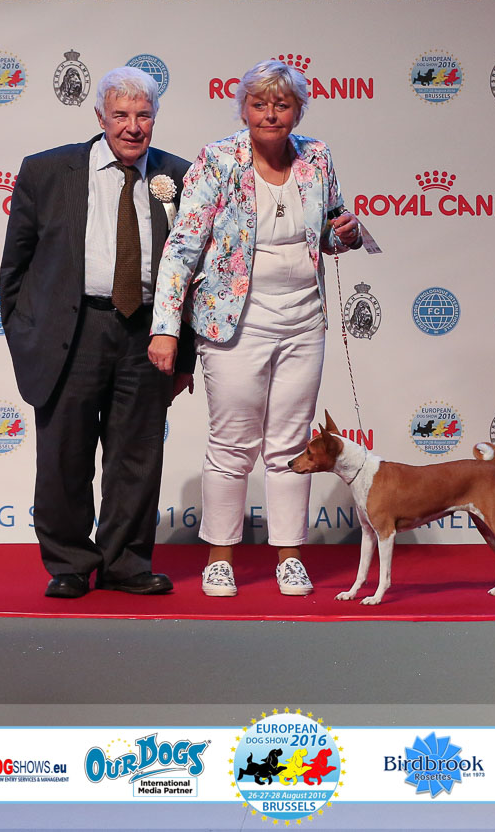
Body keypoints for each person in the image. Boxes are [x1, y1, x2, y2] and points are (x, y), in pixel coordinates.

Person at [149, 59, 362, 597]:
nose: (270, 114)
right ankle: (220, 557)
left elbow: (328, 231)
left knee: (291, 443)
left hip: (304, 322)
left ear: (298, 112)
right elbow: (182, 248)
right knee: (232, 444)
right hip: (234, 324)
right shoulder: (218, 159)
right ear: (243, 109)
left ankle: (289, 557)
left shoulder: (318, 157)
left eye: (282, 105)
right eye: (259, 104)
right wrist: (165, 327)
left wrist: (347, 233)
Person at [0, 66, 194, 599]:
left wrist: (184, 355)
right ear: (100, 117)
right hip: (72, 330)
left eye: (143, 115)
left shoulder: (181, 175)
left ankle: (125, 563)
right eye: (121, 115)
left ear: (155, 118)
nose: (133, 126)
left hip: (149, 334)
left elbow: (194, 274)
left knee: (137, 457)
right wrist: (25, 334)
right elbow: (15, 265)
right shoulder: (46, 170)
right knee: (64, 454)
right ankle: (68, 562)